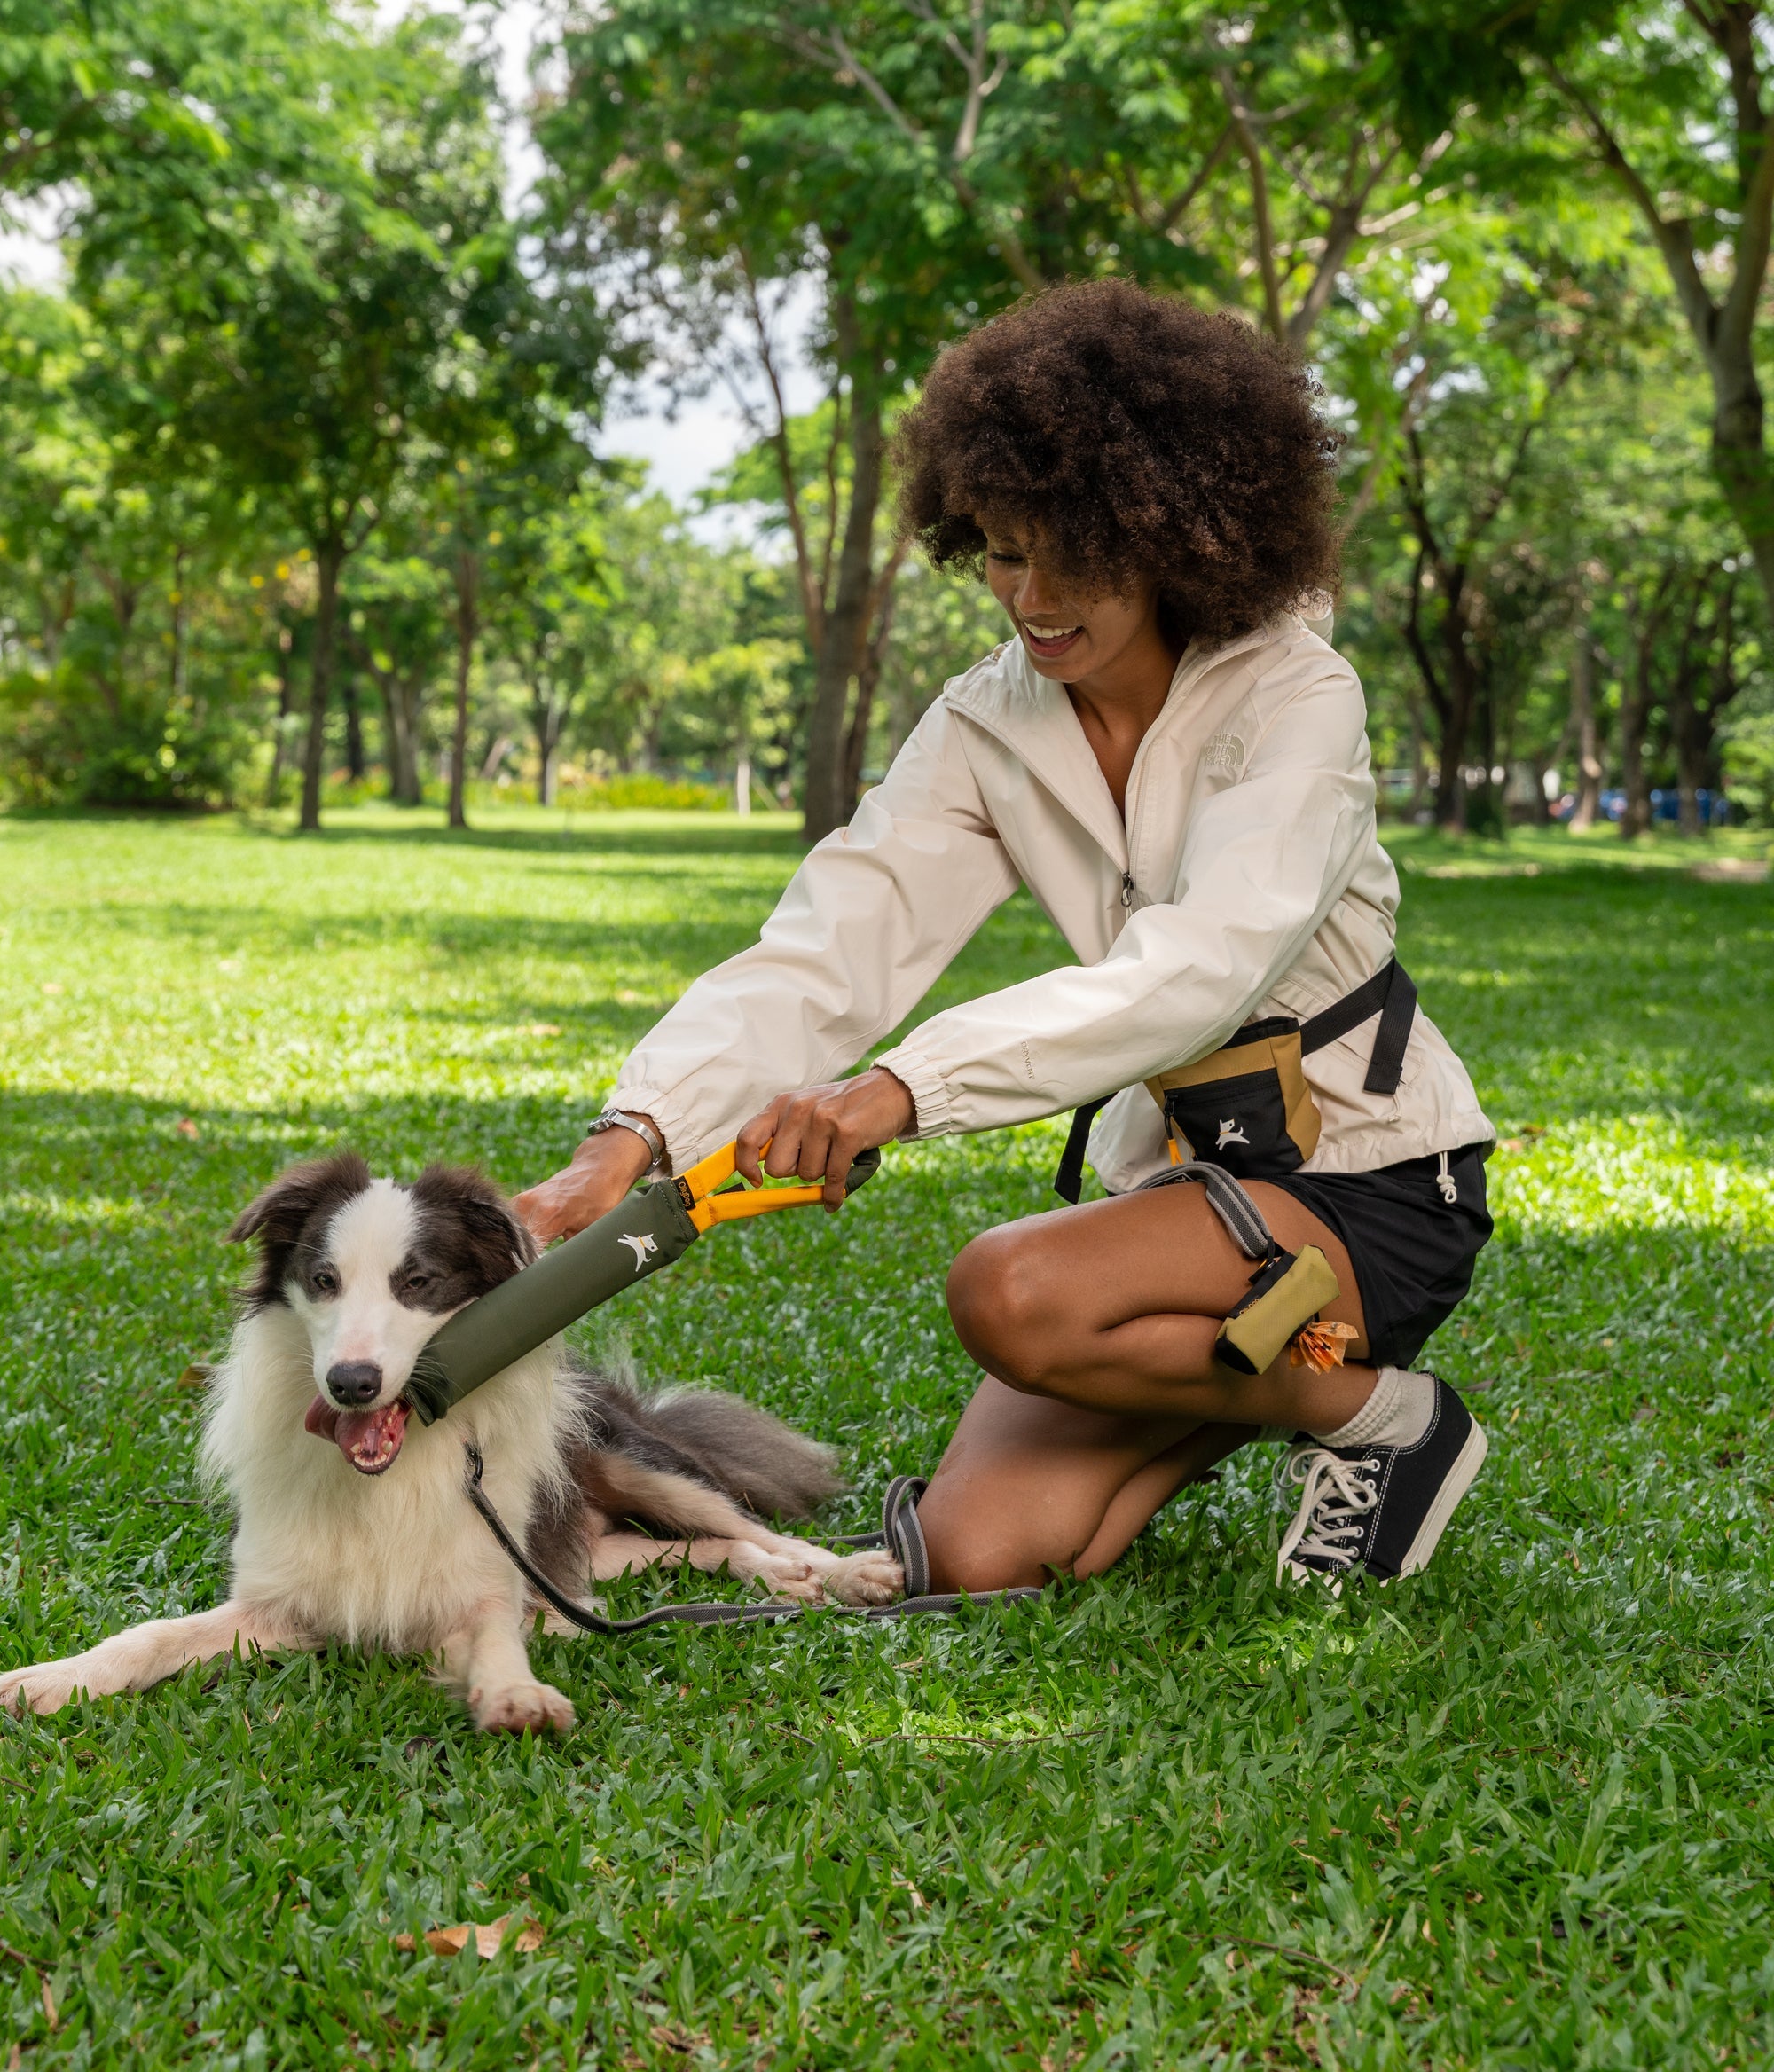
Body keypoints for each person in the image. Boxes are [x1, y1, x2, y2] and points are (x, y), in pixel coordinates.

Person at [514, 279, 1495, 1596]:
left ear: (1174, 532)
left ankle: (1376, 1420)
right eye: (998, 549)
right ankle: (1266, 1381)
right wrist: (621, 1150)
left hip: (1371, 1182)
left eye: (1070, 553)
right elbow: (832, 943)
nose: (1029, 595)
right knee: (976, 1559)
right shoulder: (989, 720)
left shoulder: (1298, 695)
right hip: (1187, 1196)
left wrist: (897, 1093)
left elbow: (1207, 966)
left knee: (1014, 1294)